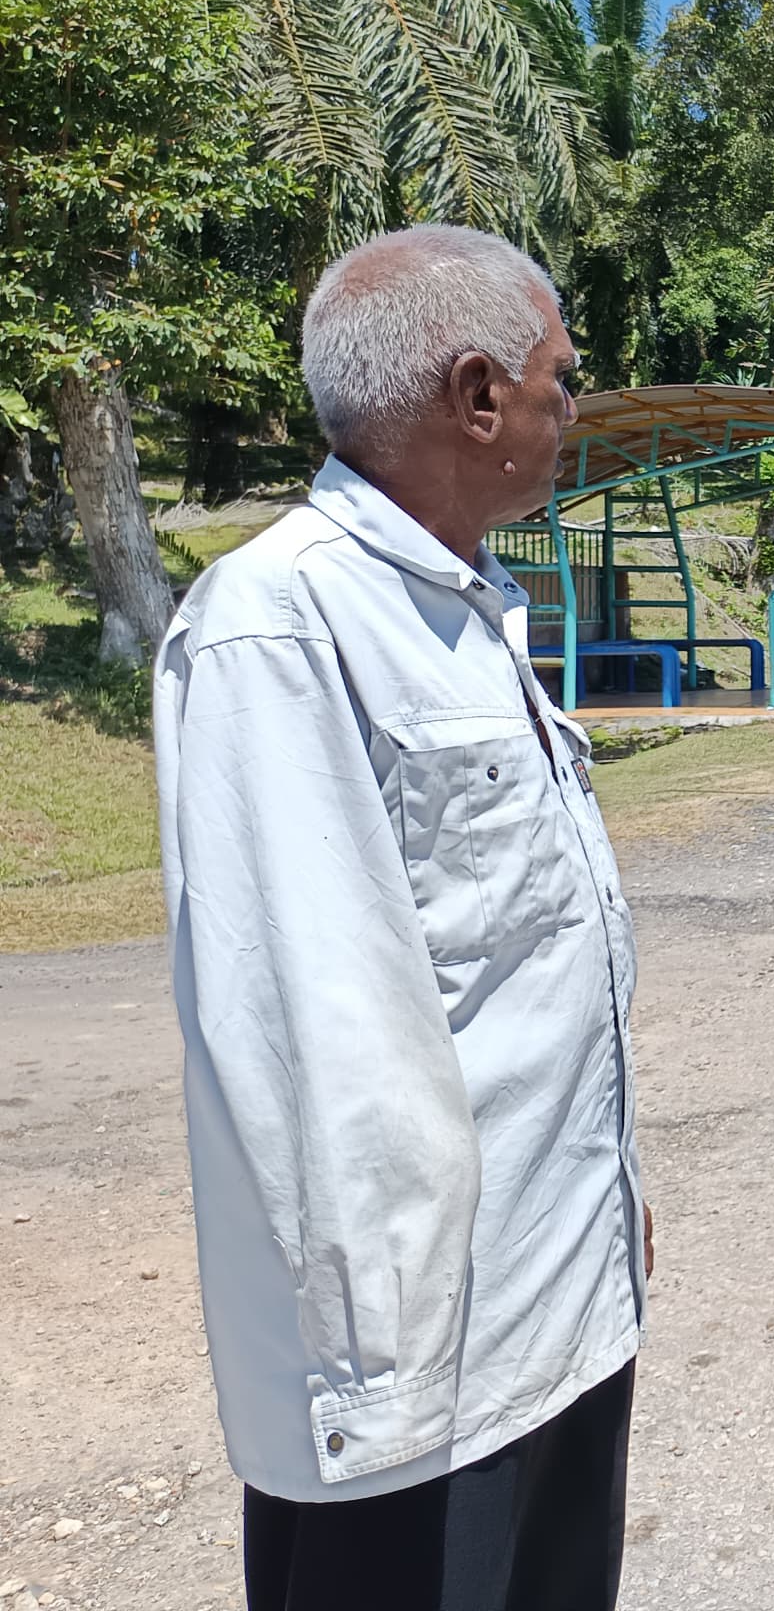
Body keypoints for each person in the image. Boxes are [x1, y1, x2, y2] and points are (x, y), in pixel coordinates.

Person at [154, 223, 650, 1610]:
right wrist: (383, 1378)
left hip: (557, 1305)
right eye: (563, 380)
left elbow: (519, 975)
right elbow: (314, 1037)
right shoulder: (280, 624)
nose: (573, 410)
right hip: (421, 1376)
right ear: (478, 394)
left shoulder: (466, 612)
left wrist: (612, 1204)